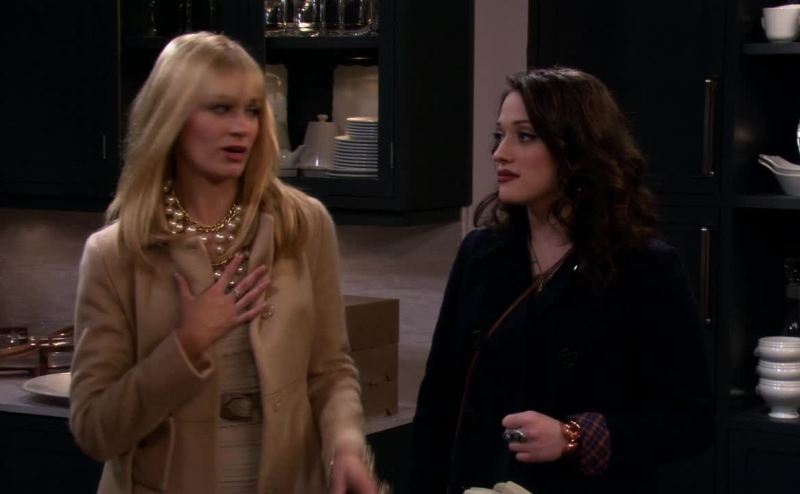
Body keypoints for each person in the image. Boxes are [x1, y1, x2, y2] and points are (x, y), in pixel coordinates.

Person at [69, 32, 377, 494]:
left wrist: (347, 447)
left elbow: (330, 371)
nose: (242, 128)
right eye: (220, 109)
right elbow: (95, 429)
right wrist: (188, 343)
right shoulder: (117, 253)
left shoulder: (301, 226)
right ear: (171, 117)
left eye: (252, 110)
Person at [410, 67, 712, 494]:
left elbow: (691, 421)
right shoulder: (480, 254)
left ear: (578, 150)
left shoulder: (645, 268)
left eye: (525, 136)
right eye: (499, 136)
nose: (500, 154)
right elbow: (438, 405)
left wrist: (575, 436)